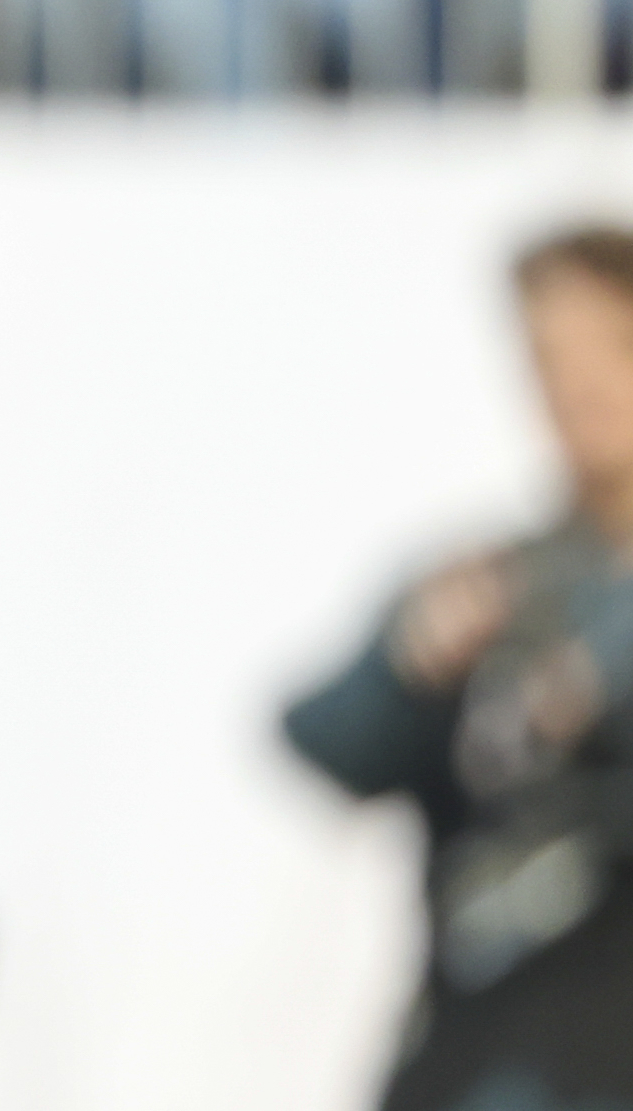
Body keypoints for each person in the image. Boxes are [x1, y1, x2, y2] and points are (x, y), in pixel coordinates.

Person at [287, 226, 633, 1111]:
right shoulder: (499, 582)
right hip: (479, 1044)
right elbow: (323, 738)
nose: (576, 385)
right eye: (550, 356)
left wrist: (599, 671)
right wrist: (413, 664)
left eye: (604, 346)